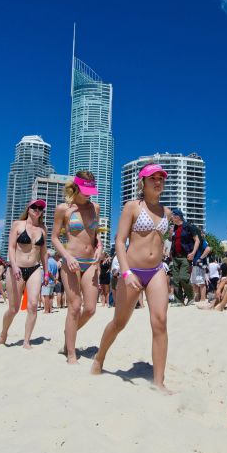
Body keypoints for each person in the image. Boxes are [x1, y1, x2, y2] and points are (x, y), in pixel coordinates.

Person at [92, 163, 173, 391]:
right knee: (119, 323)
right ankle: (99, 358)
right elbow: (119, 241)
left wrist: (164, 254)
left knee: (160, 322)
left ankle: (159, 382)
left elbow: (161, 240)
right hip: (132, 271)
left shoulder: (165, 212)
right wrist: (126, 272)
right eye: (153, 178)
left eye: (161, 178)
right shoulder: (132, 207)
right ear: (143, 182)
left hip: (156, 271)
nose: (158, 182)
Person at [52, 172, 103, 363]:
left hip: (91, 262)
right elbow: (55, 238)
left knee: (90, 309)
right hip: (70, 261)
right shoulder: (64, 209)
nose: (90, 194)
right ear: (77, 187)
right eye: (86, 190)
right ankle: (71, 352)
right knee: (74, 307)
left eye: (92, 190)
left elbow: (95, 235)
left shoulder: (95, 207)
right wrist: (66, 255)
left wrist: (100, 246)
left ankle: (69, 332)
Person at [0, 200, 49, 348]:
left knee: (33, 305)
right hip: (17, 268)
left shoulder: (43, 229)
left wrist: (46, 273)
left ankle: (26, 340)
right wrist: (13, 266)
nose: (37, 210)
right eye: (34, 207)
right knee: (13, 308)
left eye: (40, 208)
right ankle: (4, 332)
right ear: (28, 208)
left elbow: (44, 252)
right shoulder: (17, 225)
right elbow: (11, 246)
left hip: (34, 268)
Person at [168, 208, 200, 305]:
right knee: (175, 280)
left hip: (186, 257)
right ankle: (179, 301)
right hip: (175, 257)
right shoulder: (174, 228)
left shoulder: (189, 226)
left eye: (172, 216)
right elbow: (173, 241)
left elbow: (197, 240)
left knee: (183, 277)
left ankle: (190, 297)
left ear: (178, 216)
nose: (171, 218)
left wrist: (193, 253)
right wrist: (170, 251)